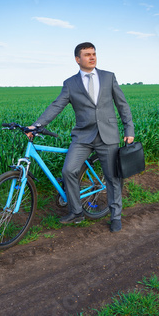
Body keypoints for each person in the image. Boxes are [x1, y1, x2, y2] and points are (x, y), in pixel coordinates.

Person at [28, 42, 135, 232]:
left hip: (107, 135)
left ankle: (116, 216)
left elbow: (122, 105)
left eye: (94, 54)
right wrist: (37, 125)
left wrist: (129, 130)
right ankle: (76, 212)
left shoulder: (108, 77)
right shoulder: (70, 84)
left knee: (112, 178)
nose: (92, 57)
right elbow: (56, 106)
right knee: (69, 171)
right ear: (78, 59)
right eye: (87, 55)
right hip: (83, 137)